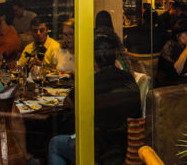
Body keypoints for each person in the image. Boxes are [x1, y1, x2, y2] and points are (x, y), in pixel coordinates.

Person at [48, 33, 142, 165]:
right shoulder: (128, 78)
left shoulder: (92, 82)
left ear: (93, 60)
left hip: (100, 151)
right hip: (128, 147)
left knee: (55, 144)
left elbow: (67, 102)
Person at [157, 18, 187, 86]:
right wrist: (186, 52)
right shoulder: (170, 46)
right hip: (170, 84)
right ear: (178, 35)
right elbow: (176, 72)